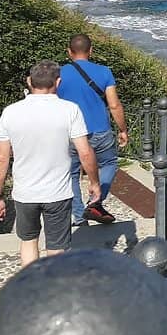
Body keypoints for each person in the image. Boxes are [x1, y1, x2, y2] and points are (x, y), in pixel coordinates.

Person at [0, 60, 101, 267]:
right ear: (57, 82)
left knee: (28, 241)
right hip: (58, 193)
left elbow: (1, 158)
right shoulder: (70, 110)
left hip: (25, 193)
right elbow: (85, 153)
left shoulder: (11, 112)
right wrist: (94, 183)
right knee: (57, 248)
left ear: (29, 81)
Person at [57, 33, 129, 225]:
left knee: (70, 173)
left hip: (69, 132)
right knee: (109, 164)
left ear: (69, 52)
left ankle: (79, 215)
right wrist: (123, 129)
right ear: (91, 50)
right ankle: (95, 202)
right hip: (99, 130)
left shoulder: (59, 74)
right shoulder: (104, 72)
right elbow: (114, 105)